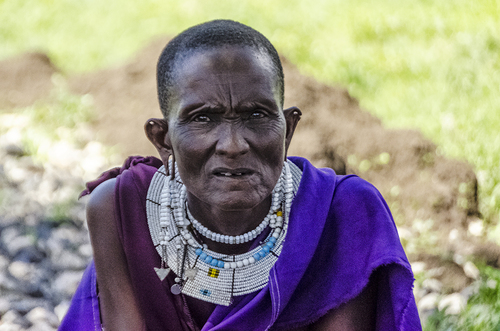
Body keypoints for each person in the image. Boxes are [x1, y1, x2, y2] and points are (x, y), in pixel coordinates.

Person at [60, 20, 421, 330]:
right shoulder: (122, 209)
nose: (233, 146)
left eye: (257, 115)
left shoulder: (341, 212)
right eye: (202, 118)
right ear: (162, 138)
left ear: (289, 129)